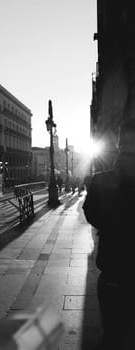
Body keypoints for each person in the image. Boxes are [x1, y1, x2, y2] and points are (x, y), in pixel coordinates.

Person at [82, 118, 135, 350]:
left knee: (113, 334)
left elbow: (90, 212)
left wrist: (110, 228)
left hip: (112, 268)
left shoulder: (101, 180)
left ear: (117, 144)